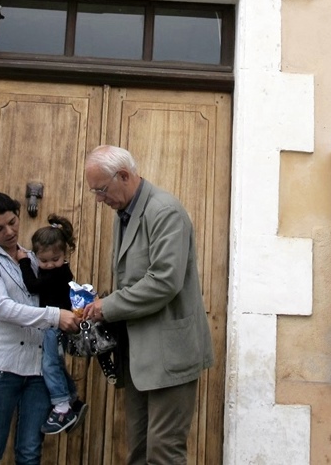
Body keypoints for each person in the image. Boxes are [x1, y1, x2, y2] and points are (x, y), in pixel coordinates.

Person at [82, 145, 214, 465]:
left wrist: (107, 307)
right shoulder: (123, 214)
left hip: (170, 355)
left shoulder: (164, 210)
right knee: (139, 451)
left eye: (101, 190)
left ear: (124, 176)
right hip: (137, 356)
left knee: (163, 451)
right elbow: (132, 279)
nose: (99, 199)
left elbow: (163, 282)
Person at [0, 192, 80, 464]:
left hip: (39, 367)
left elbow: (55, 292)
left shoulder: (34, 257)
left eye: (13, 222)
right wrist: (55, 316)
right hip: (3, 367)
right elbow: (3, 308)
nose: (9, 231)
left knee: (30, 452)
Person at [16, 214, 88, 435]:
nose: (49, 265)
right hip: (54, 324)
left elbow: (32, 286)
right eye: (43, 261)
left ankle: (61, 406)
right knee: (55, 362)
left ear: (65, 254)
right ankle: (73, 398)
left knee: (49, 365)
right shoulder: (57, 269)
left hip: (55, 325)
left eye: (54, 259)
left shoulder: (58, 273)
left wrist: (24, 262)